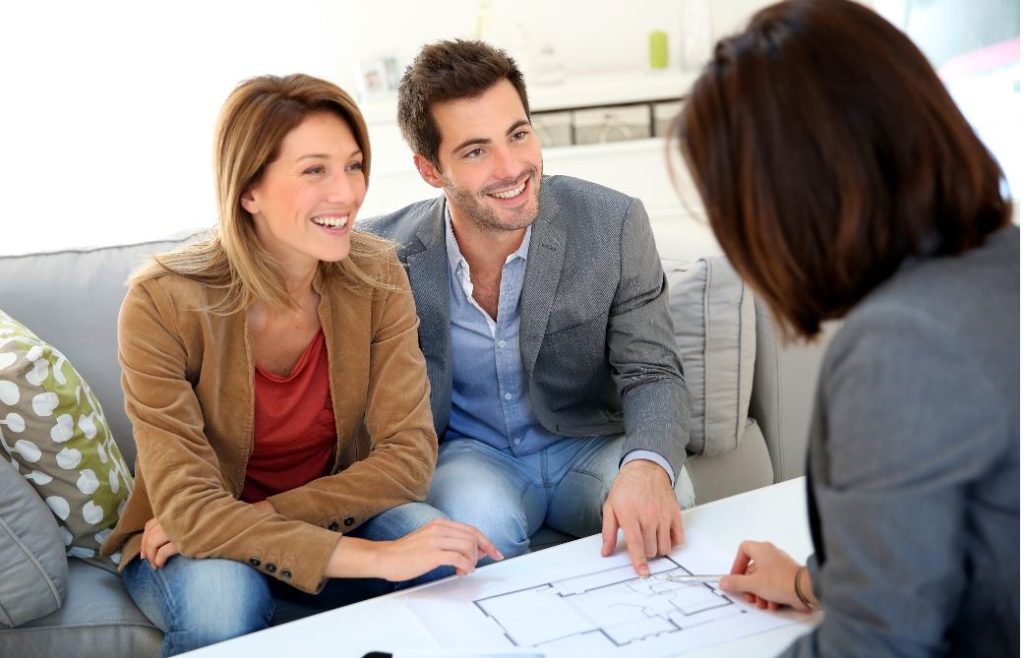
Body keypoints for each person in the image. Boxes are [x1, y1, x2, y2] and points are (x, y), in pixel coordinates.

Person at [100, 73, 500, 657]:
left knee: (447, 562)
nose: (346, 193)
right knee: (221, 603)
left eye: (354, 165)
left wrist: (259, 517)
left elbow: (407, 459)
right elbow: (187, 510)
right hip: (194, 544)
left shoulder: (376, 273)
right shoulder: (162, 302)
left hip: (335, 515)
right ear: (248, 191)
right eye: (315, 170)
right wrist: (377, 558)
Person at [673, 1, 1019, 655]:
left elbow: (874, 646)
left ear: (791, 198)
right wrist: (815, 582)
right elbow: (952, 544)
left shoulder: (902, 345)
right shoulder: (1004, 262)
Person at [363, 39, 694, 577]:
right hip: (471, 455)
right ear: (429, 170)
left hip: (585, 442)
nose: (512, 166)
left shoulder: (613, 223)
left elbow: (653, 371)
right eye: (475, 151)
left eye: (518, 134)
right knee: (478, 534)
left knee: (666, 499)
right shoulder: (385, 258)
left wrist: (648, 467)